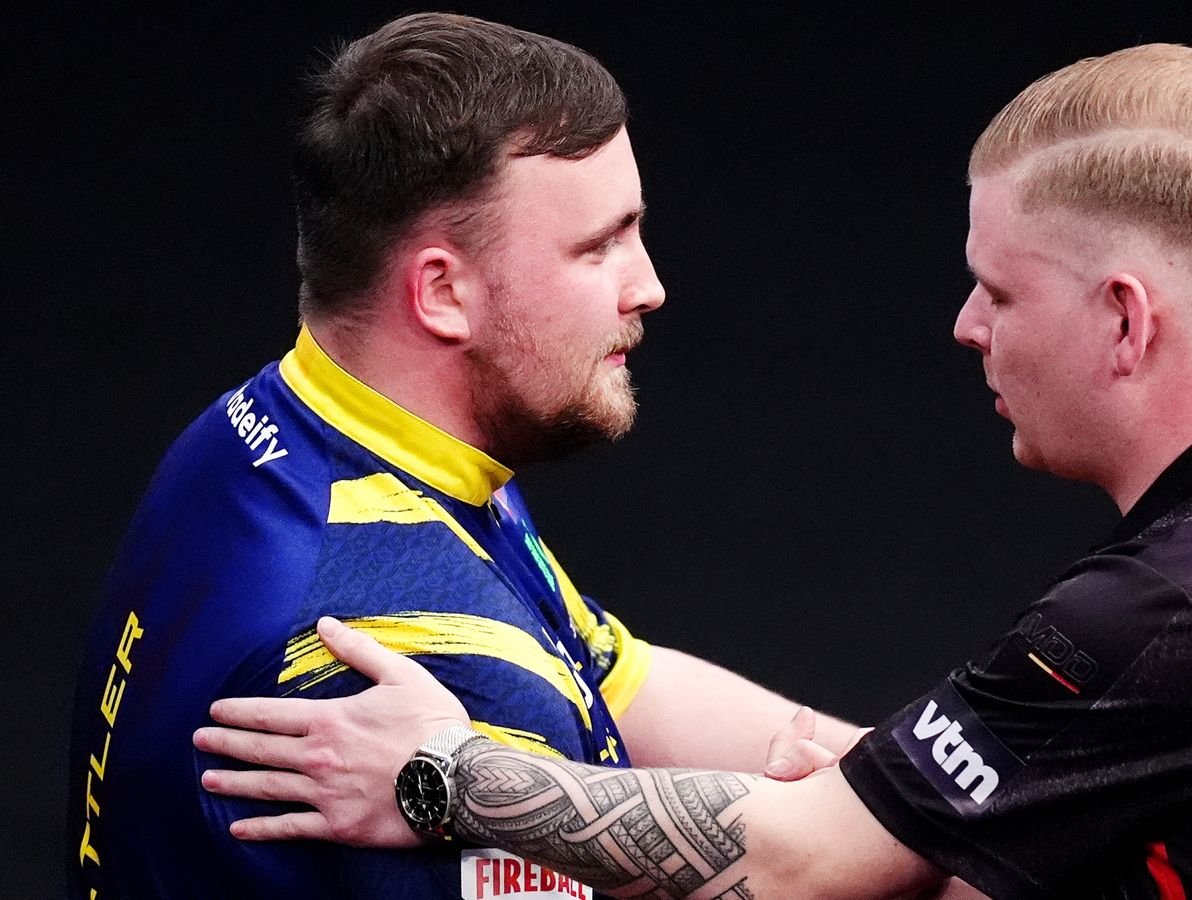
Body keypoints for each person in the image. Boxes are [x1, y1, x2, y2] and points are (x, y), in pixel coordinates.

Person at [195, 41, 1192, 899]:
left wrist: (445, 776)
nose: (964, 329)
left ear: (1126, 319)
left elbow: (802, 865)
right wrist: (856, 779)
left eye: (998, 293)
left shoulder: (1168, 614)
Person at [67, 13, 863, 899]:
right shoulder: (437, 679)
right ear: (444, 291)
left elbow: (603, 666)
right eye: (597, 246)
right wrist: (816, 839)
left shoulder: (273, 432)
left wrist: (885, 787)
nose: (649, 285)